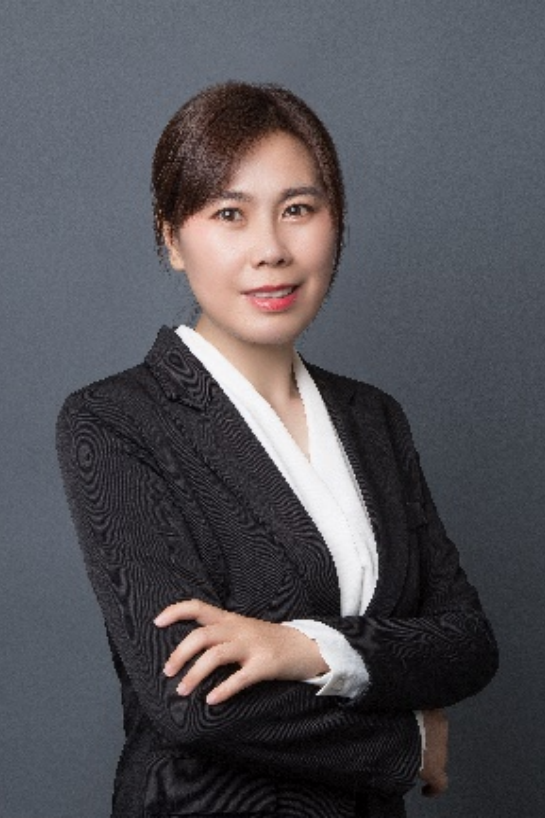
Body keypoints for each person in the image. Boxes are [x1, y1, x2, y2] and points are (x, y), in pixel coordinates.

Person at [56, 82, 498, 818]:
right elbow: (191, 702)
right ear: (171, 237)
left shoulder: (373, 419)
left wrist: (310, 650)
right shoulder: (115, 421)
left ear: (336, 222)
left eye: (298, 209)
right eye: (229, 214)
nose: (271, 250)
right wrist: (409, 744)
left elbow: (467, 641)